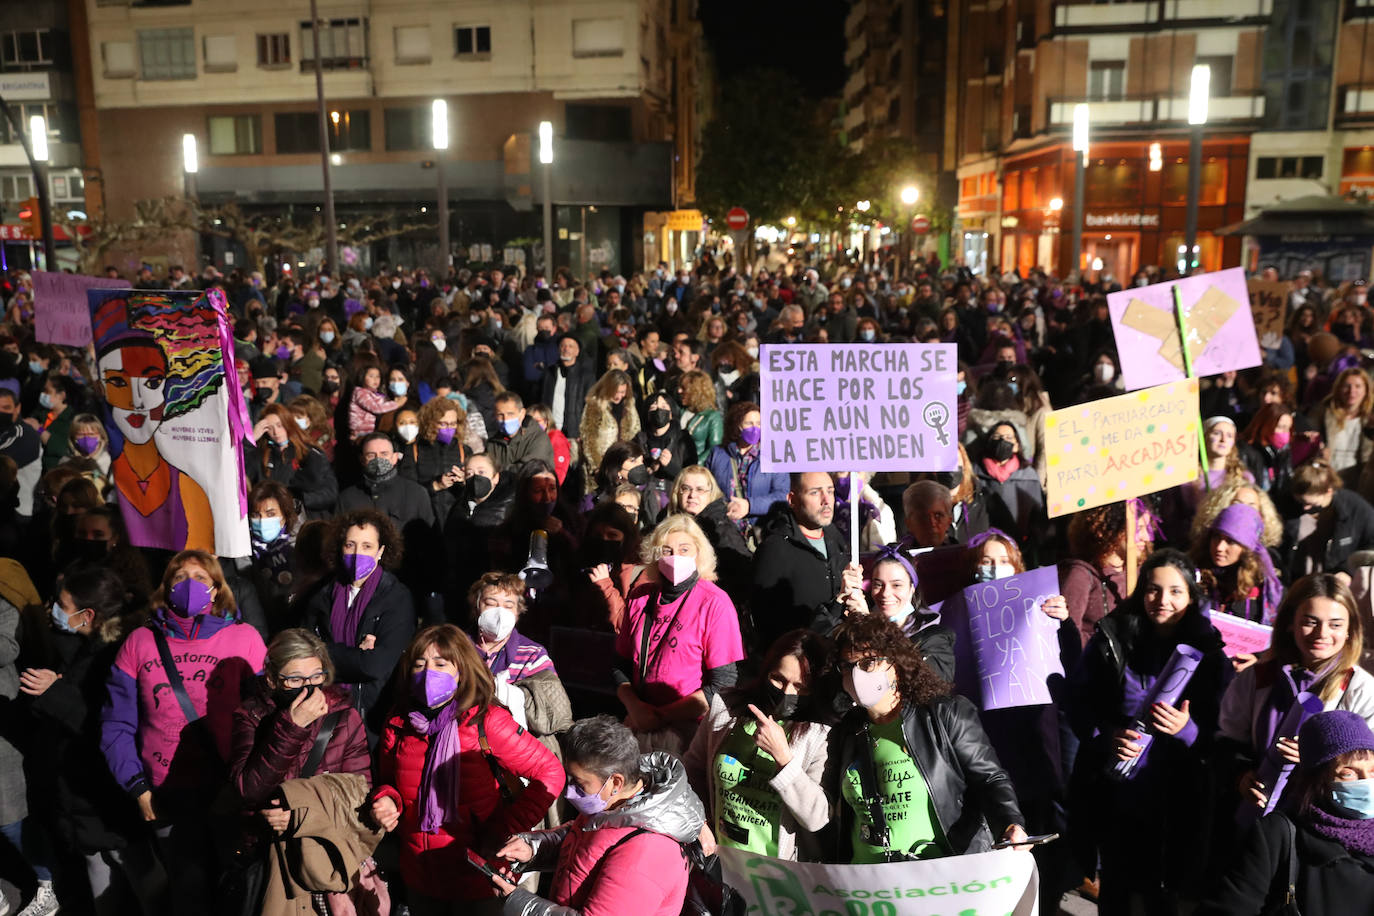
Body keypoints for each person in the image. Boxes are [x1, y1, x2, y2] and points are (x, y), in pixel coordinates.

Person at [101, 550, 268, 915]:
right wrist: (137, 788)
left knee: (238, 889)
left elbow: (265, 718)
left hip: (229, 789)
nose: (190, 584)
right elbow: (117, 723)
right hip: (166, 793)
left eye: (201, 577)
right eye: (180, 577)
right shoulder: (139, 642)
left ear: (217, 590)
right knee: (188, 891)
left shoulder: (246, 639)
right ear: (165, 588)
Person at [1065, 549, 1232, 913]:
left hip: (1179, 797)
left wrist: (1187, 730)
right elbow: (1078, 702)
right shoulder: (1112, 637)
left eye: (1175, 591)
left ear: (1191, 596)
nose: (1163, 600)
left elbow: (1225, 734)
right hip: (1117, 792)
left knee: (1165, 896)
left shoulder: (1211, 652)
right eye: (1153, 590)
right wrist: (1107, 736)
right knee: (1117, 893)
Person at [370, 625, 565, 916]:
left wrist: (506, 828)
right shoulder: (399, 722)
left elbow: (551, 772)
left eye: (440, 664)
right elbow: (388, 783)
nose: (428, 673)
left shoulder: (487, 721)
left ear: (462, 669)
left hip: (477, 878)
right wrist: (387, 800)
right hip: (421, 875)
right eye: (420, 664)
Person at [20, 564, 166, 916]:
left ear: (88, 615)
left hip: (107, 792)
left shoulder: (116, 656)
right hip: (83, 796)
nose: (53, 608)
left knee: (140, 874)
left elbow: (103, 722)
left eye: (62, 605)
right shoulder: (79, 646)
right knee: (98, 870)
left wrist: (55, 692)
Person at [827, 614, 1028, 861]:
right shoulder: (846, 731)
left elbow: (989, 778)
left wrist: (1010, 824)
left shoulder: (944, 714)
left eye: (868, 663)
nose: (857, 675)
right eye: (848, 666)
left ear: (896, 663)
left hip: (936, 882)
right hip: (867, 887)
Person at [489, 715, 706, 916]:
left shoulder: (647, 851)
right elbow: (585, 844)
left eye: (579, 782)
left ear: (615, 782)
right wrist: (534, 849)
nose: (569, 789)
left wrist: (518, 901)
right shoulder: (613, 806)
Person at [226, 628, 376, 913]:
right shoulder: (251, 717)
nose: (308, 687)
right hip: (268, 857)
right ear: (272, 679)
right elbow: (247, 789)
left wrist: (301, 816)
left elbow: (358, 795)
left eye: (316, 677)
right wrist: (291, 728)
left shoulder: (344, 716)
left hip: (324, 856)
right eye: (295, 679)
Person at [1218, 574, 1374, 815]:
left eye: (1335, 624)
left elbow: (1365, 769)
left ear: (1349, 631)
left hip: (1322, 818)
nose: (1322, 633)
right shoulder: (1258, 677)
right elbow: (1228, 741)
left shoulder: (1362, 689)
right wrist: (1241, 774)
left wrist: (1317, 756)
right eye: (1310, 621)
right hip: (1256, 814)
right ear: (1290, 623)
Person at [1197, 710, 1374, 915]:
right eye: (1348, 773)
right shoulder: (1279, 833)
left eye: (1372, 771)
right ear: (1317, 780)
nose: (1366, 783)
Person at [682, 630, 834, 861]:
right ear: (765, 672)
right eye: (778, 679)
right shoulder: (726, 708)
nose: (787, 693)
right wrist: (700, 821)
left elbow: (817, 817)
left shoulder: (819, 733)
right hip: (722, 859)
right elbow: (693, 771)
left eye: (800, 687)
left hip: (778, 872)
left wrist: (784, 759)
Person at [614, 514, 747, 753]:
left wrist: (661, 715)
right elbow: (620, 664)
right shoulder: (640, 596)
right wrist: (634, 707)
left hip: (689, 732)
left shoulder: (714, 603)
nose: (675, 557)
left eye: (684, 549)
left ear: (698, 553)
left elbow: (723, 682)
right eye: (667, 550)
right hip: (638, 723)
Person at [302, 509, 416, 739]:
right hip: (323, 712)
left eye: (366, 546)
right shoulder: (321, 594)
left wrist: (322, 653)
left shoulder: (396, 597)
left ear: (381, 551)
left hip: (371, 717)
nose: (357, 553)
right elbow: (302, 652)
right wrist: (356, 654)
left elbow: (375, 666)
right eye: (350, 545)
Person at [752, 472, 861, 651]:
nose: (826, 500)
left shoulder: (834, 535)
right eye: (815, 493)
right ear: (792, 499)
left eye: (830, 491)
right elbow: (766, 623)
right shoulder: (774, 549)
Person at [467, 571, 573, 750]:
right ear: (477, 606)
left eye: (508, 606)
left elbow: (550, 713)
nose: (500, 613)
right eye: (491, 604)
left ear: (518, 612)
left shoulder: (533, 654)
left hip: (513, 749)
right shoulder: (457, 647)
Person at [1280, 460, 1374, 583]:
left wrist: (1348, 571)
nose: (1305, 508)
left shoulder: (1355, 508)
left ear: (1329, 491)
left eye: (1311, 504)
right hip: (1297, 579)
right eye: (1301, 502)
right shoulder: (1288, 505)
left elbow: (1371, 544)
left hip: (1334, 579)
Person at [1191, 503, 1284, 628]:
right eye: (1216, 537)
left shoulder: (1261, 591)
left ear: (1246, 548)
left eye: (1231, 541)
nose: (1219, 547)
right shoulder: (1192, 574)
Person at [245, 403, 339, 520]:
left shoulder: (310, 453)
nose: (276, 432)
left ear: (288, 423)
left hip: (305, 519)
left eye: (280, 425)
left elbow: (330, 493)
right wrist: (250, 441)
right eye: (269, 428)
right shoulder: (260, 455)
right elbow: (243, 476)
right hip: (270, 519)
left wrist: (298, 499)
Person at [705, 401, 788, 528]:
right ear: (737, 425)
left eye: (759, 424)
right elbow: (707, 490)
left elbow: (782, 495)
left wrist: (750, 506)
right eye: (749, 423)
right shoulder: (718, 454)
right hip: (724, 527)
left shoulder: (773, 456)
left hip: (759, 528)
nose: (755, 428)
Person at [247, 480, 298, 632]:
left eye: (271, 514)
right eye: (256, 514)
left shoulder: (299, 545)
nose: (263, 521)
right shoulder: (244, 550)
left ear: (285, 514)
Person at [1311, 366, 1374, 488]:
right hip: (1329, 475)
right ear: (1338, 388)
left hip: (1361, 479)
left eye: (1358, 386)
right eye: (1347, 386)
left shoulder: (1371, 418)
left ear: (1366, 390)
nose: (1352, 391)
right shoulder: (1323, 413)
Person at [580, 370, 642, 482]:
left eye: (622, 392)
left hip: (625, 467)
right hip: (602, 467)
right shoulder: (595, 406)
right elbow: (589, 439)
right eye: (616, 392)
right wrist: (597, 466)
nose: (619, 396)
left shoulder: (629, 406)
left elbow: (636, 433)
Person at [397, 396, 468, 491]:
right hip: (426, 504)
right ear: (430, 423)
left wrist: (465, 481)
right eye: (443, 424)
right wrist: (435, 486)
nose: (448, 428)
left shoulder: (463, 450)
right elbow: (407, 488)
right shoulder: (414, 450)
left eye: (453, 424)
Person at [486, 391, 556, 477]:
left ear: (522, 414)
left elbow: (529, 469)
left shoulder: (538, 438)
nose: (506, 419)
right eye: (500, 415)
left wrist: (498, 473)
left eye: (510, 414)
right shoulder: (493, 443)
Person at [678, 369, 722, 461]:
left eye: (684, 388)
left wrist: (696, 464)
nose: (679, 391)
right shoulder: (679, 411)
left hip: (697, 470)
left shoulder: (713, 416)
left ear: (696, 392)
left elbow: (714, 448)